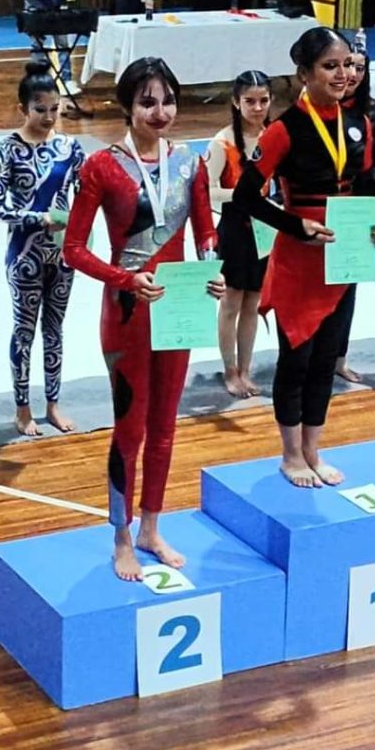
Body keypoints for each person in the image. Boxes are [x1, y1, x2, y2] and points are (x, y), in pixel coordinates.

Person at [63, 57, 225, 581]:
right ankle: (121, 536)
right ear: (127, 107)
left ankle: (152, 526)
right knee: (130, 429)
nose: (160, 112)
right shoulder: (102, 167)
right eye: (148, 102)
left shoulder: (190, 163)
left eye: (168, 101)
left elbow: (205, 230)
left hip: (177, 306)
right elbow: (72, 249)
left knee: (165, 427)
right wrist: (125, 278)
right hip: (128, 311)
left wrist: (212, 268)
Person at [233, 27, 375, 488]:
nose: (343, 74)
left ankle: (313, 449)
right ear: (304, 73)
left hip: (345, 256)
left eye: (347, 65)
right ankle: (290, 455)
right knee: (296, 360)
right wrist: (293, 225)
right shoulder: (283, 130)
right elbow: (245, 196)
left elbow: (367, 188)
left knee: (326, 360)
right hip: (300, 261)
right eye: (329, 66)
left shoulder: (358, 121)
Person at [0, 61, 84, 437]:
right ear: (22, 109)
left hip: (61, 254)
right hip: (24, 254)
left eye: (55, 109)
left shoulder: (70, 148)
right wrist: (40, 218)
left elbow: (86, 196)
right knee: (24, 331)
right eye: (40, 109)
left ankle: (54, 403)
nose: (48, 117)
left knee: (55, 329)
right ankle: (22, 407)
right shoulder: (6, 151)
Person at [207, 70, 273, 398]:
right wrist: (241, 195)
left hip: (264, 230)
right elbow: (207, 192)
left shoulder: (274, 137)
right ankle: (229, 370)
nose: (257, 108)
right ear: (236, 102)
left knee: (253, 303)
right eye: (250, 101)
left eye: (263, 100)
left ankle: (246, 369)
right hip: (234, 229)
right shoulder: (222, 142)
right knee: (231, 303)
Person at [334, 45, 375, 384]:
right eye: (347, 66)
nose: (352, 74)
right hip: (324, 207)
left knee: (347, 288)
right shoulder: (319, 106)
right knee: (317, 288)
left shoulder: (371, 108)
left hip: (357, 210)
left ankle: (339, 358)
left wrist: (365, 194)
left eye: (360, 68)